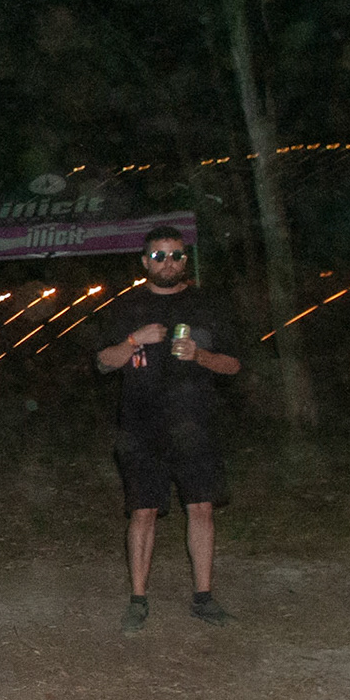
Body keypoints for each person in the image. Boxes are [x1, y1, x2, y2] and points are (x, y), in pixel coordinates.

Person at [95, 224, 243, 634]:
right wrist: (134, 340)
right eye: (159, 256)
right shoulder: (126, 307)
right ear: (145, 261)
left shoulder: (206, 305)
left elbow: (233, 364)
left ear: (185, 259)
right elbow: (103, 362)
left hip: (195, 424)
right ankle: (138, 600)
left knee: (201, 507)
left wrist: (201, 356)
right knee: (142, 512)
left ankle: (204, 598)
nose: (168, 263)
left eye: (176, 255)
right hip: (140, 428)